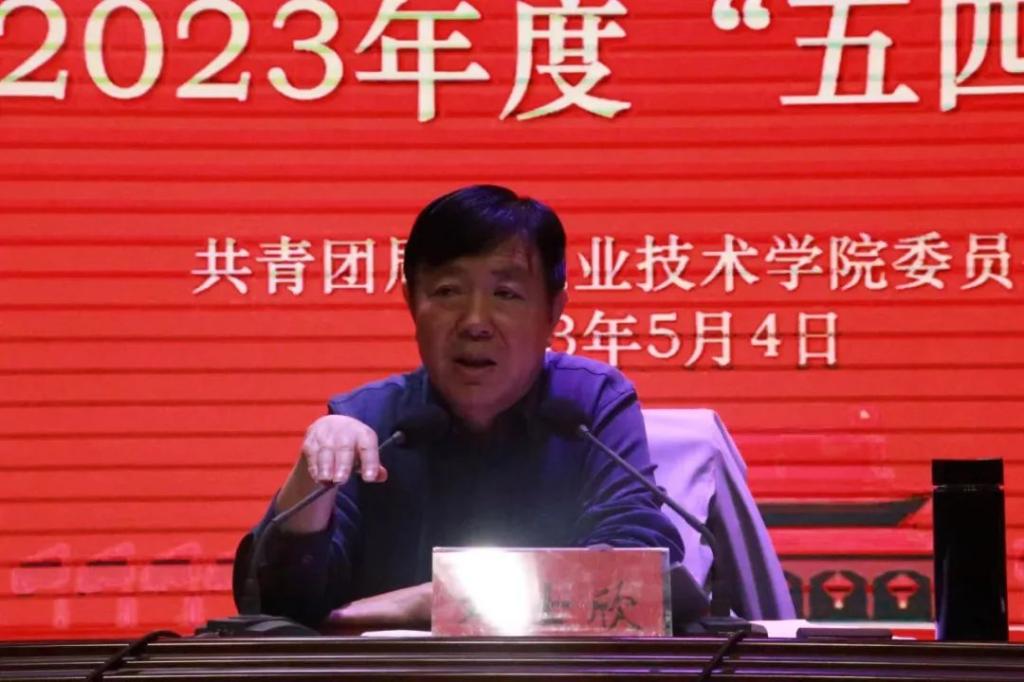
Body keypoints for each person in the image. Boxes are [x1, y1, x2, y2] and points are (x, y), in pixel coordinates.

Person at [233, 185, 684, 628]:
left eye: (506, 294)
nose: (474, 322)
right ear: (411, 301)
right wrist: (310, 483)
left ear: (553, 311)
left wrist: (432, 601)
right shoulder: (368, 421)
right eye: (448, 291)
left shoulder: (590, 404)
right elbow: (277, 607)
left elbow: (634, 571)